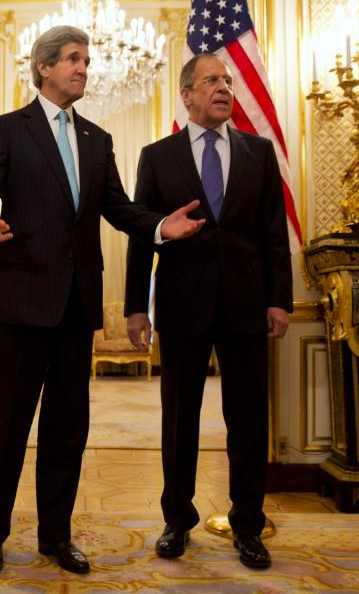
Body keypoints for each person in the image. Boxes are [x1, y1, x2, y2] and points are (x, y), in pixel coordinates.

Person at [0, 25, 205, 575]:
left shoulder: (98, 139)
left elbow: (120, 208)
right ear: (44, 66)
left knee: (67, 431)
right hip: (20, 302)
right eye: (73, 59)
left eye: (87, 61)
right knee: (4, 427)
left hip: (76, 307)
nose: (84, 68)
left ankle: (55, 536)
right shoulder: (5, 129)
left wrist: (161, 227)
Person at [124, 53, 293, 570]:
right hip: (182, 305)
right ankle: (177, 519)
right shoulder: (158, 156)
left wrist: (279, 298)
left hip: (246, 306)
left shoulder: (259, 153)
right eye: (212, 81)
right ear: (187, 95)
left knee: (246, 420)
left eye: (228, 80)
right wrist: (136, 308)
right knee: (180, 420)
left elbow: (272, 234)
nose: (223, 87)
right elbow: (142, 236)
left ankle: (248, 525)